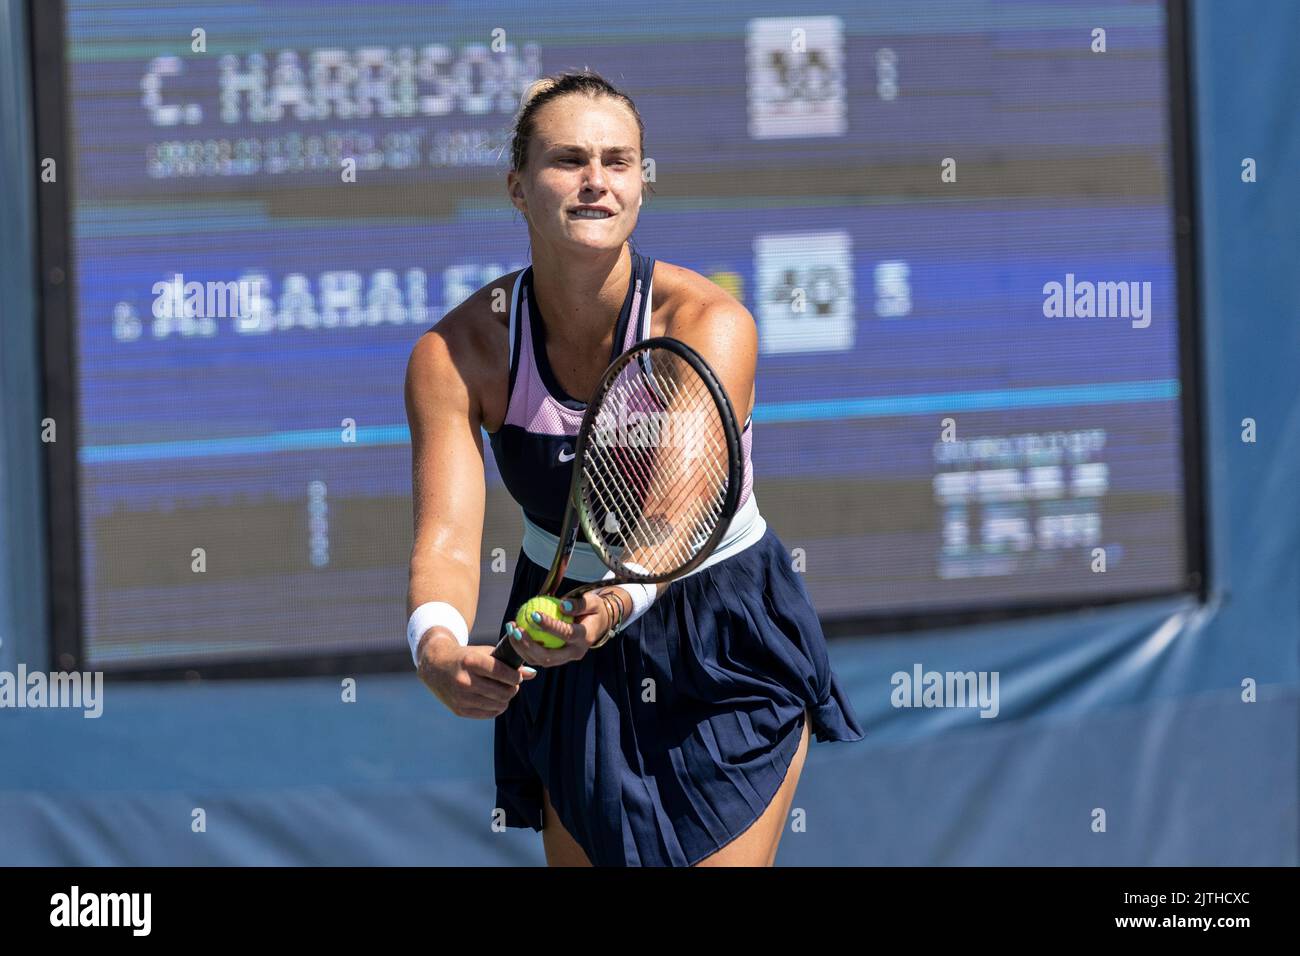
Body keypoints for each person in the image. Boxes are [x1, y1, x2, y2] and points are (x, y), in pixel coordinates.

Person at [404, 70, 863, 867]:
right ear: (517, 187)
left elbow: (675, 517)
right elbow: (446, 538)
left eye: (619, 162)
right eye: (568, 160)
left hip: (720, 631)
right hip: (563, 630)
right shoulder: (457, 353)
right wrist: (438, 648)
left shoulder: (708, 323)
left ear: (641, 186)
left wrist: (613, 603)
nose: (596, 182)